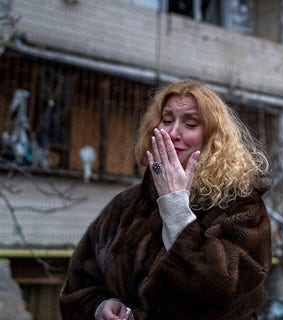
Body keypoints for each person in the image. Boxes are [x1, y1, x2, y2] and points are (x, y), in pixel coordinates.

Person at [59, 80, 272, 320]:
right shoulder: (126, 205)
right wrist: (99, 307)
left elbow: (225, 291)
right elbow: (77, 288)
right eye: (167, 120)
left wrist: (176, 208)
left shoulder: (241, 204)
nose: (172, 133)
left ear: (213, 136)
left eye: (190, 123)